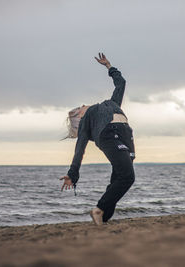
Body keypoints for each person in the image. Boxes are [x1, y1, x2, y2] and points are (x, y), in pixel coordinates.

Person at [60, 53, 135, 226]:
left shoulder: (110, 103)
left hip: (126, 137)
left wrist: (109, 66)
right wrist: (73, 173)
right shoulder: (88, 120)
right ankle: (100, 209)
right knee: (127, 177)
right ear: (80, 115)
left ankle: (103, 217)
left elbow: (121, 83)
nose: (83, 105)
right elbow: (80, 149)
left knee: (119, 179)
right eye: (80, 107)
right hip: (110, 135)